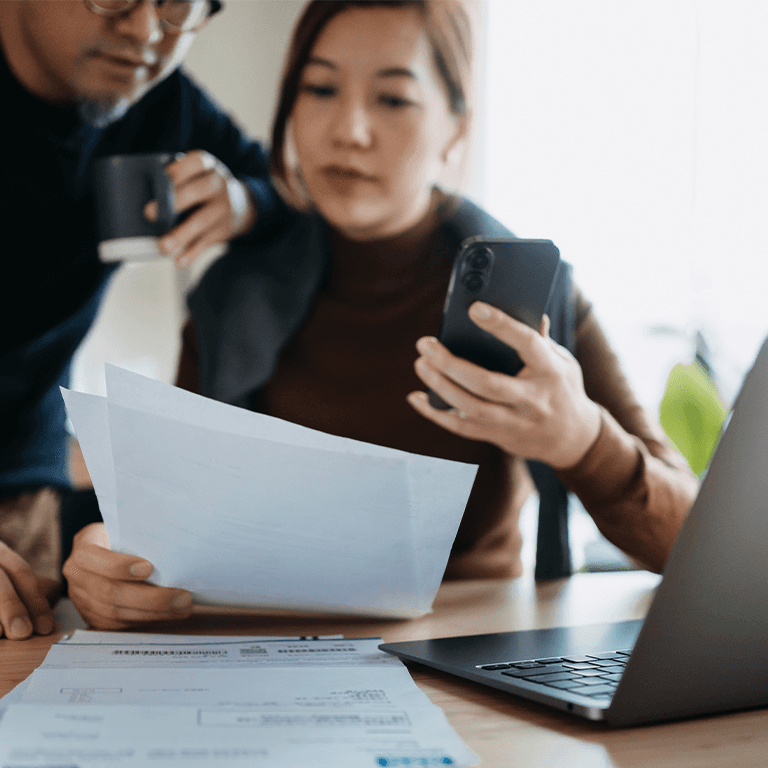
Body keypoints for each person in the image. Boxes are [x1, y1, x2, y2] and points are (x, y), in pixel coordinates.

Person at [64, 0, 699, 631]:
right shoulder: (232, 293)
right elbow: (170, 524)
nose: (350, 130)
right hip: (280, 655)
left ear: (456, 127)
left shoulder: (529, 297)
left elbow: (688, 547)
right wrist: (109, 559)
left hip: (474, 653)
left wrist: (582, 439)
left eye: (393, 99)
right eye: (319, 89)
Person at [0, 0, 286, 639]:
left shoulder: (165, 107)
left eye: (179, 5)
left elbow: (286, 186)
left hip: (23, 490)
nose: (144, 31)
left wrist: (247, 203)